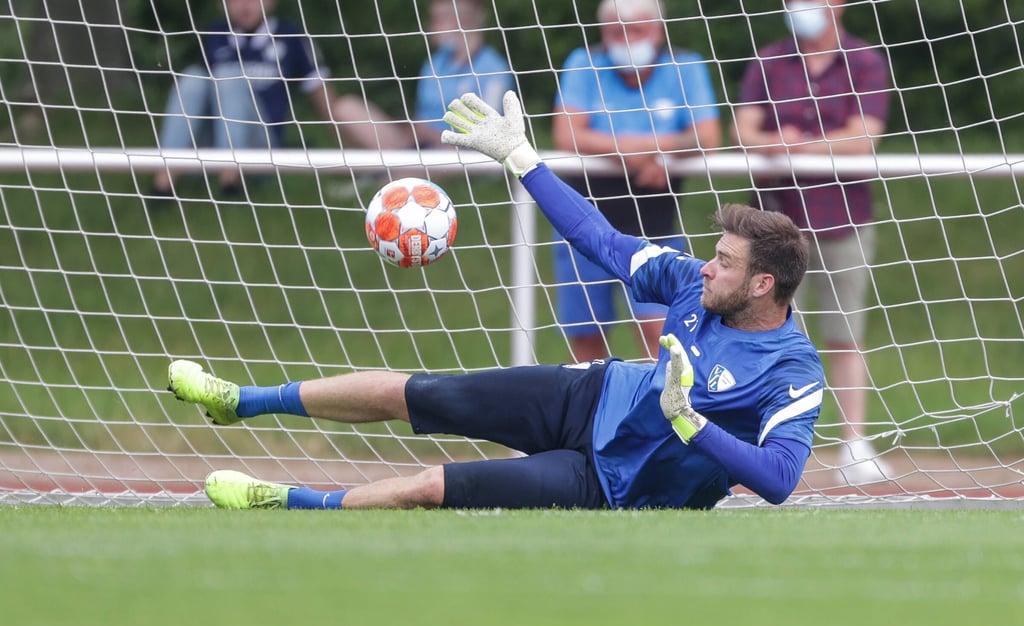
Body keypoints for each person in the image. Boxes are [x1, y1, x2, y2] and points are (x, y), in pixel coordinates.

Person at [169, 90, 824, 512]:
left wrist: (693, 423)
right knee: (425, 392)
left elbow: (779, 480)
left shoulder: (792, 373)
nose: (708, 265)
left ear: (762, 285)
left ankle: (285, 501)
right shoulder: (689, 281)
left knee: (434, 487)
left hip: (611, 487)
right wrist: (521, 158)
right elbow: (598, 238)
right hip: (591, 396)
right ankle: (240, 401)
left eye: (726, 262)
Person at [731, 0, 891, 484]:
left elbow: (865, 136)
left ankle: (853, 442)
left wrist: (799, 144)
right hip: (774, 222)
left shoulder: (863, 60)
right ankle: (758, 441)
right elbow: (744, 128)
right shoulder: (769, 59)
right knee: (762, 331)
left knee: (845, 331)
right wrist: (774, 141)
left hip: (843, 218)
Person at [551, 0, 721, 361]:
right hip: (583, 217)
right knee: (586, 337)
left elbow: (707, 135)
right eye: (616, 31)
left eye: (637, 30)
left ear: (657, 30)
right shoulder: (584, 63)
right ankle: (591, 414)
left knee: (660, 334)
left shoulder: (685, 65)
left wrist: (662, 151)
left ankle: (657, 412)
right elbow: (566, 133)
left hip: (654, 219)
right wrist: (629, 150)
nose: (627, 39)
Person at [150, 0, 341, 199]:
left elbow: (318, 87)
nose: (244, 5)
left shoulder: (290, 35)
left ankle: (231, 181)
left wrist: (344, 143)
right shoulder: (216, 35)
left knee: (229, 76)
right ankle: (163, 183)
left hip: (262, 146)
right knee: (192, 78)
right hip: (213, 141)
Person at [332, 0, 513, 150]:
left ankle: (389, 178)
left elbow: (490, 134)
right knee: (347, 107)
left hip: (459, 150)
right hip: (419, 144)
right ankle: (380, 174)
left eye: (437, 19)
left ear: (462, 21)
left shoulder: (494, 69)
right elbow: (423, 115)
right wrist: (410, 126)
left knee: (420, 163)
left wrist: (431, 134)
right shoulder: (434, 63)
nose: (430, 27)